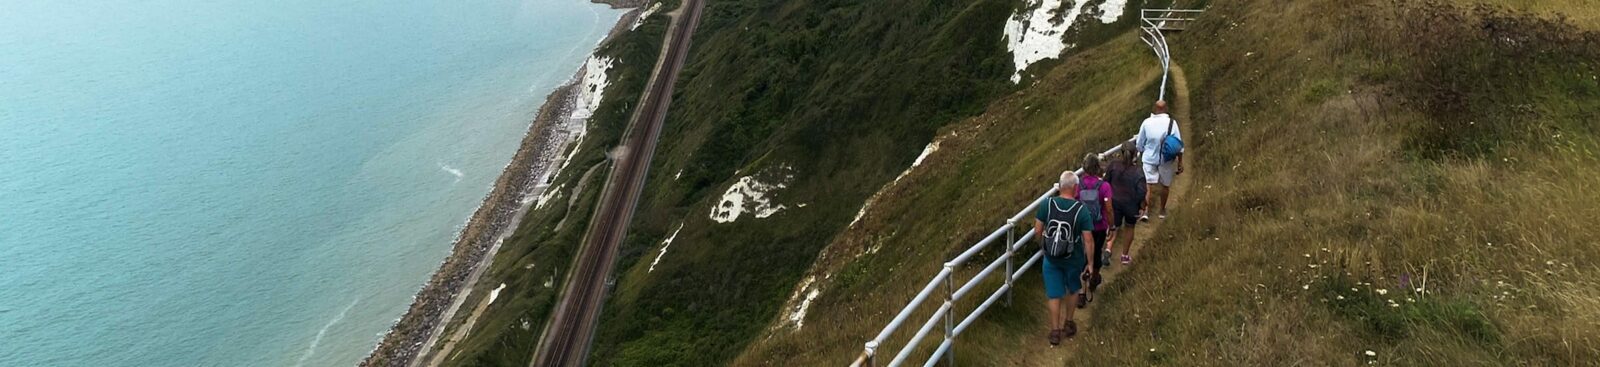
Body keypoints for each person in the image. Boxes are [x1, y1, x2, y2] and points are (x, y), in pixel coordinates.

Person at [1035, 171, 1095, 346]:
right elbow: (1088, 240)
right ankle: (1068, 323)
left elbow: (1038, 230)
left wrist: (1044, 246)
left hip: (1051, 258)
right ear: (1076, 188)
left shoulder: (1047, 204)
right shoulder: (1081, 210)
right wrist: (1090, 263)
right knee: (1073, 289)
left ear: (1060, 186)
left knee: (1054, 294)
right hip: (1073, 258)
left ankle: (1055, 331)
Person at [1074, 153, 1113, 309]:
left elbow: (1075, 204)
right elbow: (1109, 209)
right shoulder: (1104, 186)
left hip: (1083, 227)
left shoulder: (1079, 185)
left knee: (1083, 256)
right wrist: (1113, 225)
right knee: (1096, 254)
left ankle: (1081, 294)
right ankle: (1094, 279)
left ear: (1084, 168)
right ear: (1098, 168)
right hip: (1099, 227)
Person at [1135, 100, 1183, 221]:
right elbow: (1178, 145)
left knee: (1147, 186)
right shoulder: (1172, 123)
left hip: (1149, 158)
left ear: (1154, 109)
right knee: (1165, 185)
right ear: (1166, 108)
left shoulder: (1146, 122)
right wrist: (1180, 162)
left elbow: (1139, 144)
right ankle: (1162, 210)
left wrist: (1142, 151)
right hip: (1166, 159)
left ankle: (1145, 211)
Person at [1105, 141, 1146, 265]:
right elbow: (1141, 192)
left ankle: (1108, 249)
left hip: (1114, 202)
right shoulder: (1138, 171)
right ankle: (1124, 255)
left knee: (1114, 227)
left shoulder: (1113, 166)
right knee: (1129, 227)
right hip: (1130, 205)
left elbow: (1106, 182)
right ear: (1135, 154)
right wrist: (1141, 206)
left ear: (1120, 153)